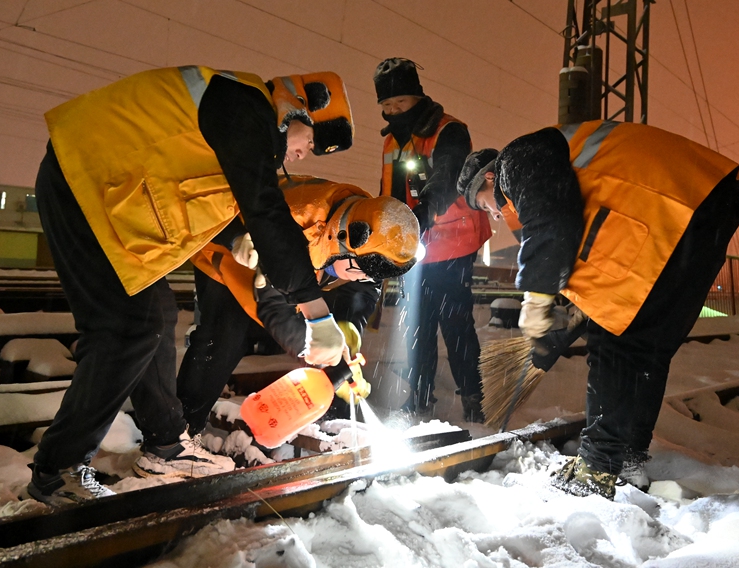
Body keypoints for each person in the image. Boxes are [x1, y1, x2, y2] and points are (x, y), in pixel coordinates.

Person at [27, 65, 355, 505]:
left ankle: (165, 444)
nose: (300, 155)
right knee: (125, 329)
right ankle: (56, 470)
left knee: (154, 317)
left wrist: (236, 238)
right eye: (308, 143)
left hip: (105, 198)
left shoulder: (238, 112)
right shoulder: (244, 104)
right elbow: (265, 208)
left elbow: (191, 186)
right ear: (299, 110)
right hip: (83, 182)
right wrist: (317, 311)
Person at [457, 120, 739, 499]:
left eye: (483, 204)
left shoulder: (517, 159)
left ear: (490, 179)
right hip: (699, 204)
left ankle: (596, 468)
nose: (493, 215)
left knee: (611, 342)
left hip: (667, 206)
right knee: (647, 348)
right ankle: (626, 456)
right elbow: (576, 230)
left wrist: (537, 297)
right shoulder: (556, 162)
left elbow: (550, 222)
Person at [176, 174, 420, 444]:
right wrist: (313, 346)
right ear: (342, 239)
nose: (363, 279)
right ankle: (181, 433)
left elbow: (363, 288)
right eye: (360, 271)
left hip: (300, 261)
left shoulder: (367, 228)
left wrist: (347, 324)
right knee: (224, 337)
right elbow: (272, 307)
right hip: (230, 247)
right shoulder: (297, 220)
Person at [373, 58, 492, 422]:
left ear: (418, 98)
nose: (394, 112)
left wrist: (422, 213)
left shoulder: (449, 131)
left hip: (454, 240)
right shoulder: (392, 140)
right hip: (416, 245)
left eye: (401, 104)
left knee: (455, 322)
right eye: (387, 107)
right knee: (416, 324)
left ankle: (473, 398)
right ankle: (419, 395)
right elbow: (388, 192)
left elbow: (445, 177)